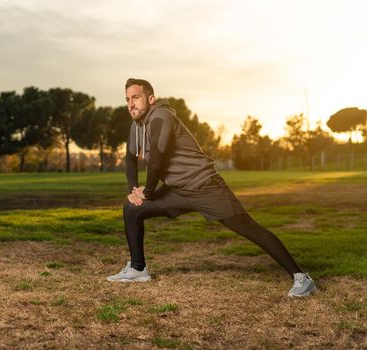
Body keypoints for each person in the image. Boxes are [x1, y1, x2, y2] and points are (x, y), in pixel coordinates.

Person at [106, 78, 316, 297]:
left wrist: (147, 192)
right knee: (132, 209)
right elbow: (130, 157)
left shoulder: (162, 116)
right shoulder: (136, 126)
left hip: (205, 186)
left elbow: (156, 159)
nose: (131, 103)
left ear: (150, 99)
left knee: (248, 227)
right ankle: (138, 269)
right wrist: (133, 192)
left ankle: (301, 277)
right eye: (128, 99)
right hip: (179, 191)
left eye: (136, 97)